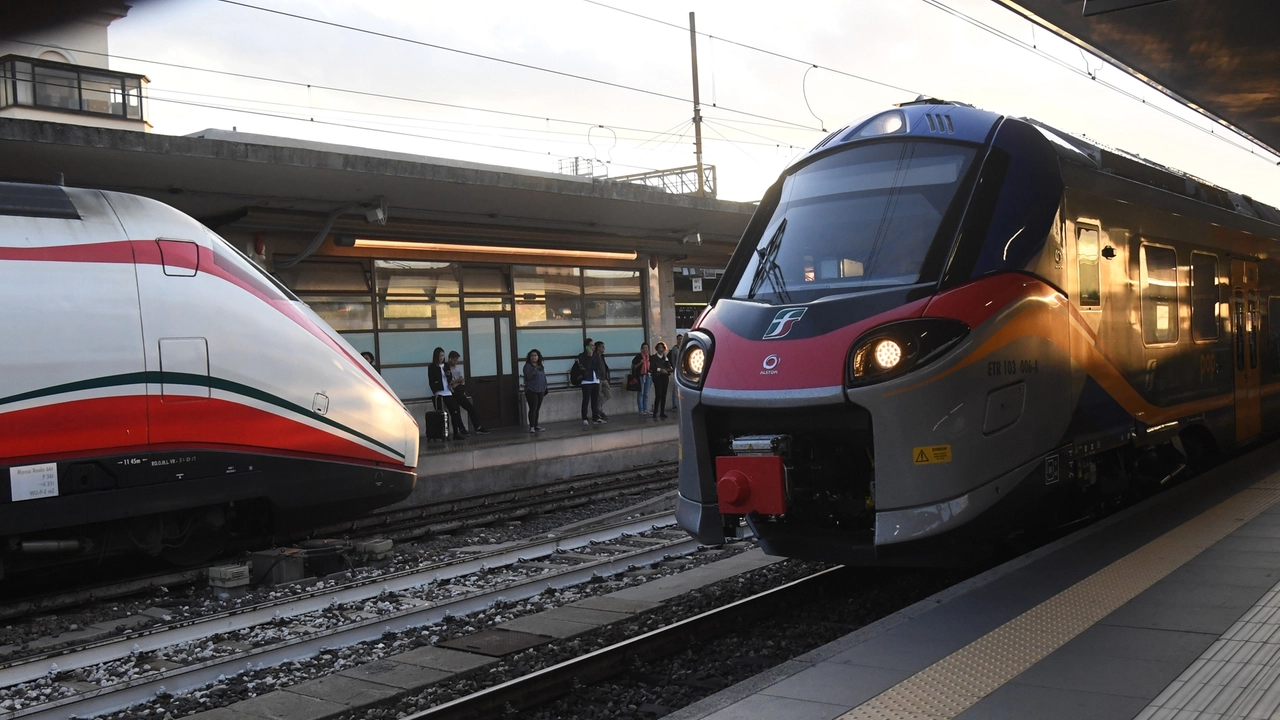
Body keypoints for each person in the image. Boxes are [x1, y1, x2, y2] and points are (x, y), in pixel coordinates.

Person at [427, 347, 466, 440]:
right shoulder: (432, 367)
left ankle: (456, 432)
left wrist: (449, 378)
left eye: (443, 355)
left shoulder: (446, 365)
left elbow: (450, 376)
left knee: (454, 412)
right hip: (439, 392)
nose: (441, 357)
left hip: (447, 391)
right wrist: (435, 391)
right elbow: (431, 380)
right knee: (440, 414)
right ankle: (442, 434)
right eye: (440, 355)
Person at [447, 351, 490, 434]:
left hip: (459, 390)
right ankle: (461, 428)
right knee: (456, 410)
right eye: (454, 360)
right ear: (450, 359)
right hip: (452, 392)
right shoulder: (447, 369)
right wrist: (457, 381)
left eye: (457, 360)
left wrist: (459, 382)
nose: (456, 362)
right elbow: (449, 382)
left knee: (470, 407)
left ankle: (477, 426)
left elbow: (461, 380)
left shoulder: (457, 369)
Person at [578, 341, 608, 425]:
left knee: (595, 400)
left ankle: (596, 417)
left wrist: (590, 365)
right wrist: (589, 357)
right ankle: (584, 418)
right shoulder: (582, 356)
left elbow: (597, 366)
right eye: (591, 345)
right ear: (587, 347)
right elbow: (586, 365)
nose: (593, 347)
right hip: (586, 380)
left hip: (595, 380)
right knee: (586, 400)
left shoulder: (596, 355)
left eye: (594, 345)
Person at [523, 349, 547, 433]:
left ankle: (536, 425)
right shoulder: (527, 366)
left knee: (537, 408)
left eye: (535, 355)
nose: (534, 357)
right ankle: (532, 426)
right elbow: (528, 377)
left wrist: (545, 387)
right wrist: (534, 370)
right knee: (533, 408)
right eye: (532, 356)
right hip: (531, 390)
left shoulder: (541, 366)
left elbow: (543, 377)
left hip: (540, 389)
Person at [650, 341, 674, 420]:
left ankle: (662, 412)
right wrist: (660, 370)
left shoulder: (665, 357)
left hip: (664, 377)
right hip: (658, 377)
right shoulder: (654, 357)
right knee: (658, 394)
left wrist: (668, 368)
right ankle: (655, 412)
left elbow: (668, 365)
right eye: (659, 347)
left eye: (662, 348)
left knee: (664, 395)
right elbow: (653, 367)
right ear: (657, 349)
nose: (661, 349)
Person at [631, 342, 652, 416]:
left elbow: (651, 366)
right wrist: (640, 362)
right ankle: (641, 409)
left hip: (648, 375)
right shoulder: (638, 356)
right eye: (644, 348)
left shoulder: (649, 356)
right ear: (641, 348)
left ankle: (645, 408)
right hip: (640, 376)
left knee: (646, 393)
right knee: (641, 393)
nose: (645, 349)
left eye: (646, 348)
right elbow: (634, 366)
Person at [671, 334, 684, 411]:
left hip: (684, 371)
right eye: (679, 339)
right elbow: (673, 360)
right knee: (675, 387)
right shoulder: (675, 349)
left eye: (681, 339)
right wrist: (674, 368)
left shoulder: (684, 348)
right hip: (677, 370)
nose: (680, 340)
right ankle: (675, 404)